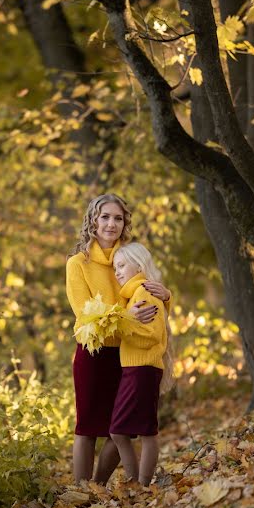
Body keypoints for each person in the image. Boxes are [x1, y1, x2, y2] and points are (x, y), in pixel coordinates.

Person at [66, 194, 171, 484]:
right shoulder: (78, 264)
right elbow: (84, 313)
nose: (111, 224)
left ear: (124, 224)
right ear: (93, 221)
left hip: (128, 352)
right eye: (105, 217)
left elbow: (146, 297)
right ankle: (81, 492)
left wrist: (166, 296)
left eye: (118, 218)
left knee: (121, 428)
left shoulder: (130, 257)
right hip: (94, 351)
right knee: (87, 427)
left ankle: (97, 487)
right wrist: (127, 318)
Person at [110, 242, 170, 486]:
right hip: (134, 370)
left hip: (143, 370)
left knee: (143, 431)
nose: (117, 272)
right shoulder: (133, 295)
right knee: (124, 431)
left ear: (139, 264)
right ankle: (137, 483)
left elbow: (152, 336)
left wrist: (123, 328)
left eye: (122, 265)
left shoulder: (144, 292)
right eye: (115, 268)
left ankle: (141, 485)